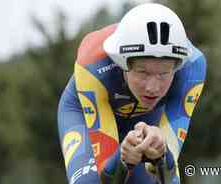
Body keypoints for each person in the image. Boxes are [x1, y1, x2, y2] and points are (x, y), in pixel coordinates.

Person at [57, 3, 206, 184]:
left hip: (147, 114)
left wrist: (161, 153)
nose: (153, 87)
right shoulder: (92, 64)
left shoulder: (193, 68)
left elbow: (168, 175)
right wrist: (122, 158)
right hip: (85, 108)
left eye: (164, 74)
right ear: (122, 63)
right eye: (143, 72)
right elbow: (106, 178)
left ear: (178, 67)